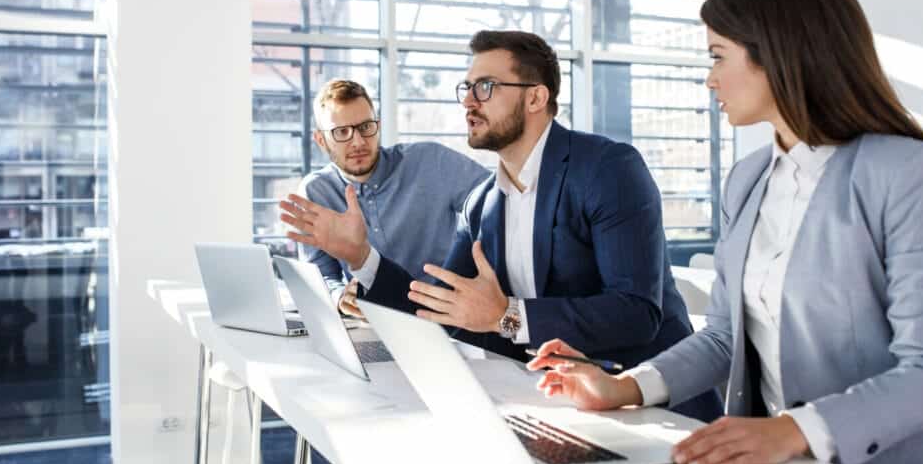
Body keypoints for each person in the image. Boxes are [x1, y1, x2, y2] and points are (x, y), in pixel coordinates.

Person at [528, 0, 923, 464]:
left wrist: (792, 431)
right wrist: (626, 386)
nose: (709, 78)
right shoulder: (749, 179)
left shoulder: (916, 175)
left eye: (717, 56)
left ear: (779, 56)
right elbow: (726, 335)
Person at [282, 30, 722, 423]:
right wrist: (361, 258)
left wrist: (507, 316)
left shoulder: (607, 168)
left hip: (654, 411)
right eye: (467, 88)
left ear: (535, 98)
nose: (468, 101)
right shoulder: (482, 204)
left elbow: (637, 314)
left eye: (485, 87)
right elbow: (442, 310)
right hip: (555, 405)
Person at [297, 78, 488, 315]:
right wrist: (339, 296)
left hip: (444, 316)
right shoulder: (316, 191)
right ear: (321, 140)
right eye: (341, 132)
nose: (358, 142)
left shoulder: (429, 161)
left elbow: (498, 201)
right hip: (370, 320)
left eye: (365, 127)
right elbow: (320, 274)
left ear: (377, 125)